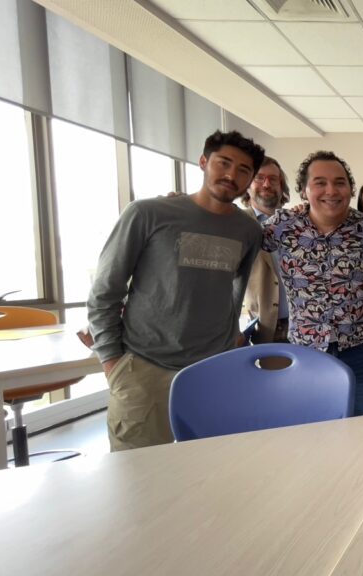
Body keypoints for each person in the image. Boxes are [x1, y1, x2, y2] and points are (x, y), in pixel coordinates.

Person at [88, 130, 265, 451]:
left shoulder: (248, 230)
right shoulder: (147, 214)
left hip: (211, 370)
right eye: (224, 163)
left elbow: (235, 293)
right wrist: (113, 363)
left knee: (210, 467)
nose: (231, 175)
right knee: (138, 472)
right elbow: (105, 291)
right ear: (203, 162)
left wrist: (229, 346)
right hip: (144, 368)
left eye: (243, 170)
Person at [262, 151, 363, 416]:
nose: (331, 191)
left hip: (362, 347)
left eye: (340, 182)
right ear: (304, 191)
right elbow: (241, 233)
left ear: (351, 189)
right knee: (313, 423)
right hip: (306, 349)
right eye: (320, 182)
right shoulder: (283, 225)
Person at [240, 156, 291, 344]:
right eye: (259, 178)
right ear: (248, 184)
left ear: (281, 185)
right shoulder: (236, 223)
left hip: (308, 327)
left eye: (273, 179)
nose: (267, 184)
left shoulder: (296, 222)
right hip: (267, 330)